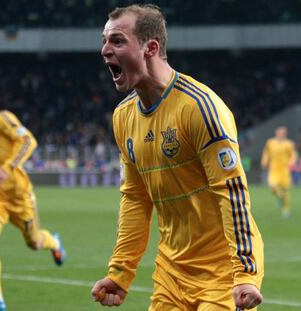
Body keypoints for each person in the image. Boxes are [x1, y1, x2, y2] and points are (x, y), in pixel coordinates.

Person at [92, 4, 264, 310]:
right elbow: (135, 198)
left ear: (151, 48)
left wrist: (245, 273)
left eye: (117, 41)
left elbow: (231, 193)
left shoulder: (199, 108)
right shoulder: (123, 117)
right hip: (172, 273)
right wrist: (120, 271)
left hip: (223, 273)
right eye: (104, 40)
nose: (105, 50)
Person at [0, 81, 66, 311]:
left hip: (18, 194)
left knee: (35, 243)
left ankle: (54, 242)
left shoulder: (1, 118)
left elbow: (28, 140)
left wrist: (7, 168)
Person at [261, 126, 297, 218]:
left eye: (283, 133)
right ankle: (279, 197)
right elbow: (266, 153)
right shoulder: (270, 142)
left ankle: (286, 210)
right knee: (273, 187)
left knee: (285, 190)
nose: (281, 134)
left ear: (285, 134)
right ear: (276, 133)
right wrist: (264, 161)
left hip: (285, 170)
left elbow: (293, 155)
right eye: (279, 133)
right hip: (274, 169)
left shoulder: (289, 144)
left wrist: (291, 163)